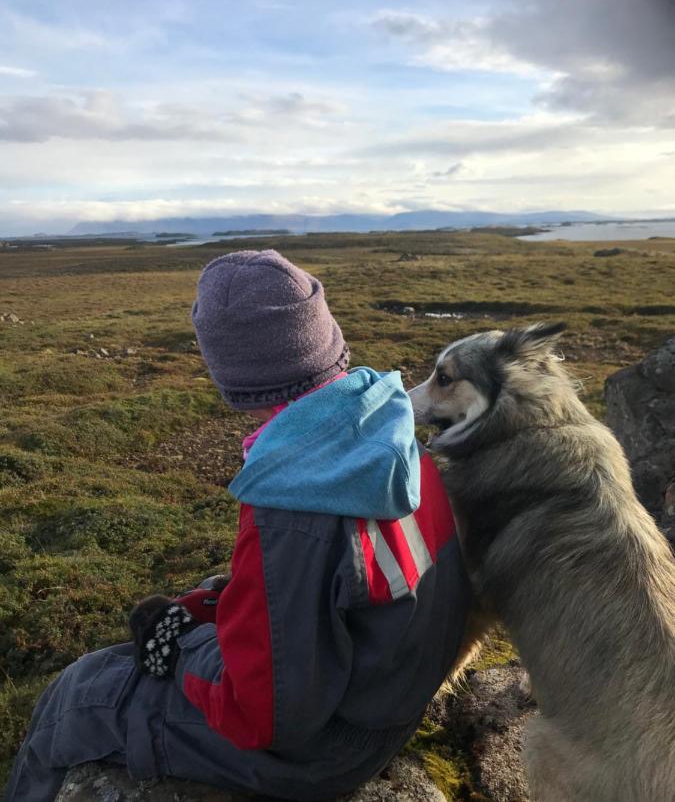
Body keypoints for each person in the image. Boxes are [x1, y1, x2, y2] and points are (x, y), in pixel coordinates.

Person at [5, 250, 471, 802]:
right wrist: (212, 606)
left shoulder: (293, 502)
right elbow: (344, 590)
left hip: (327, 751)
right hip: (385, 698)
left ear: (233, 372)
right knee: (109, 666)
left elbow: (267, 717)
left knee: (77, 697)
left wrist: (181, 651)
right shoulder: (387, 433)